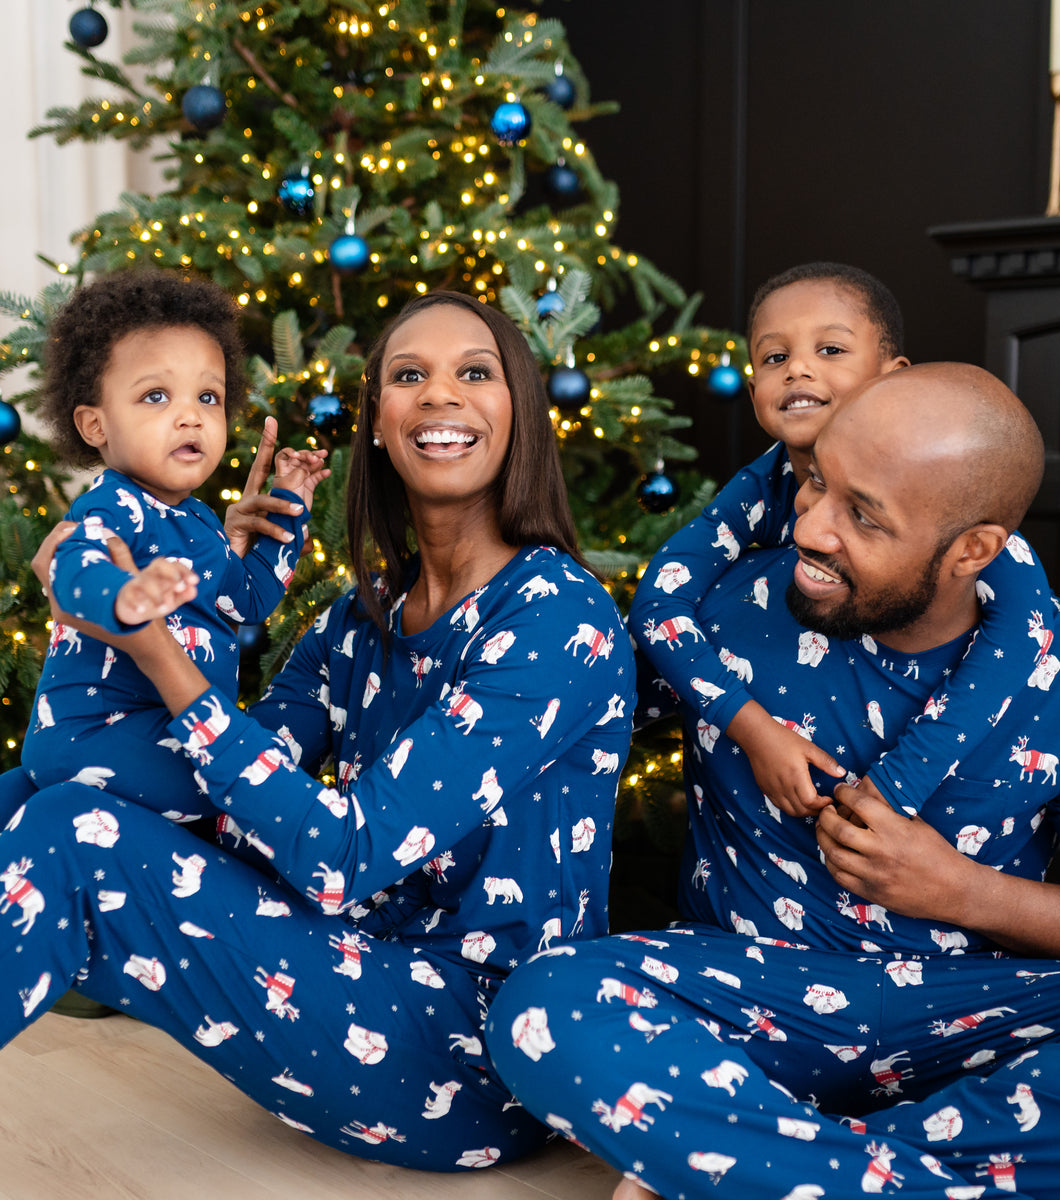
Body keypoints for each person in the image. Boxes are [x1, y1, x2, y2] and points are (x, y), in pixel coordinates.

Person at [488, 363, 1060, 1199]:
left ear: (972, 551)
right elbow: (552, 717)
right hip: (742, 998)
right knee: (544, 1006)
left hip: (965, 1017)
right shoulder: (724, 616)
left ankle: (754, 1162)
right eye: (817, 481)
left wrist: (966, 892)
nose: (811, 529)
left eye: (862, 515)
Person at [2, 290, 635, 1171]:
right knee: (29, 796)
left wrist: (155, 650)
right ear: (378, 421)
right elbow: (228, 790)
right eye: (410, 376)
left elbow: (342, 852)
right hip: (349, 967)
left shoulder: (559, 617)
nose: (442, 396)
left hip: (475, 1052)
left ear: (518, 413)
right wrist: (198, 590)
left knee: (73, 837)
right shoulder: (358, 621)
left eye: (476, 374)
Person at [630, 263, 1056, 820]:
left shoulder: (962, 524)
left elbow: (1022, 636)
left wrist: (895, 789)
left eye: (830, 350)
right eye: (774, 357)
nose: (798, 369)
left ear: (893, 375)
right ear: (754, 385)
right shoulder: (761, 486)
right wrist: (753, 730)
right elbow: (661, 600)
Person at [18, 269, 326, 820]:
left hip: (166, 732)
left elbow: (246, 600)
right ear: (95, 425)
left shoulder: (203, 520)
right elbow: (69, 565)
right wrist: (126, 596)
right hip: (98, 733)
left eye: (208, 396)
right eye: (156, 396)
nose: (191, 415)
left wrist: (293, 503)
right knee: (246, 795)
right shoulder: (114, 503)